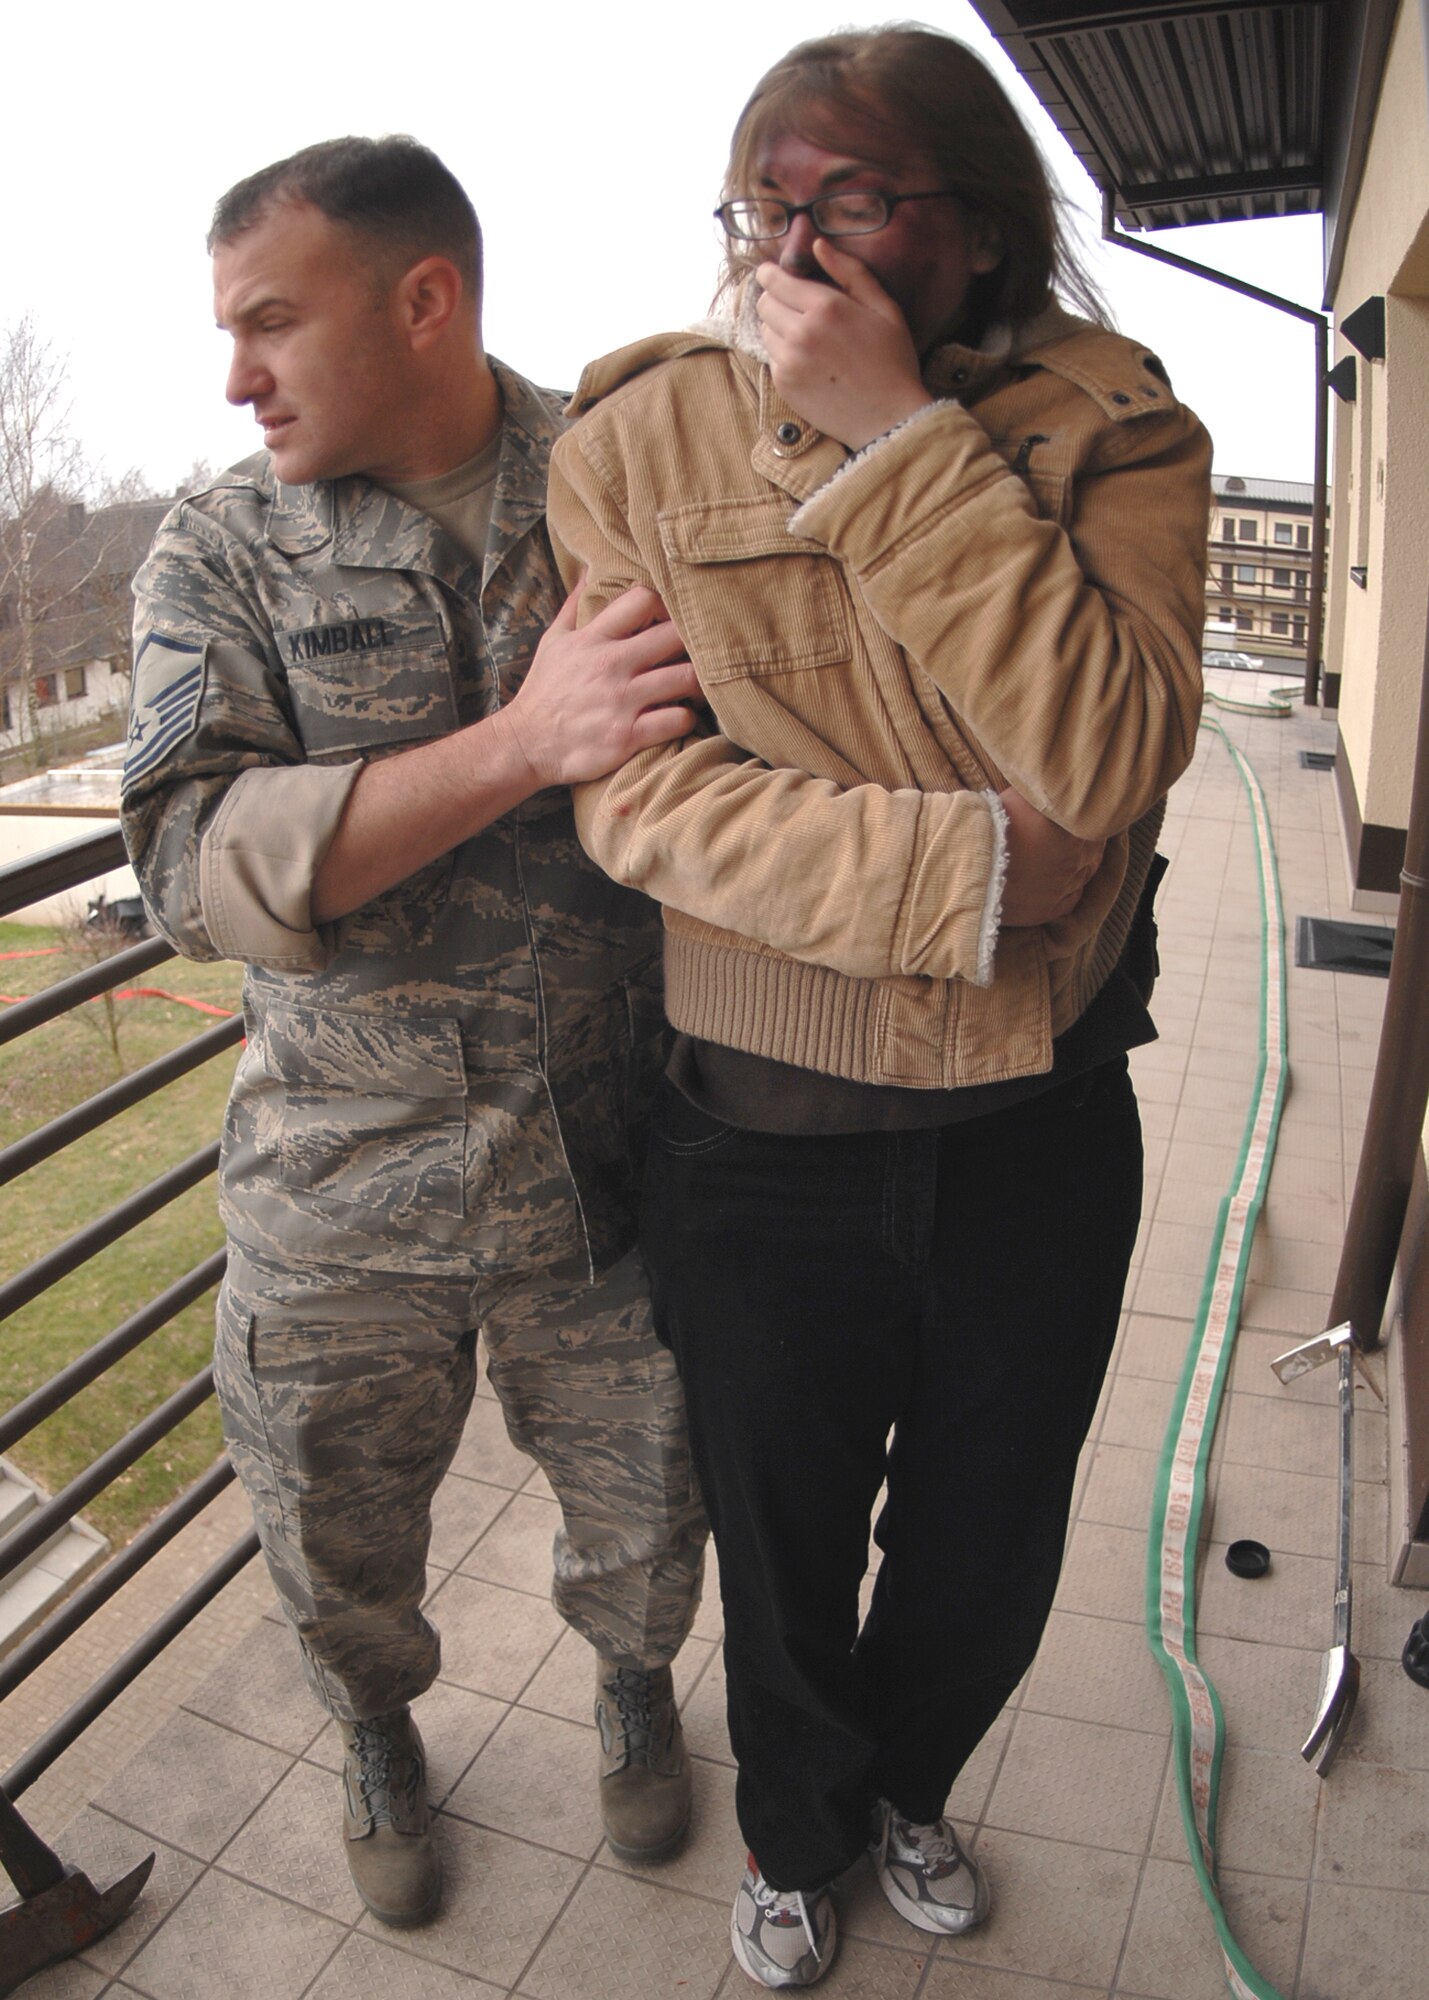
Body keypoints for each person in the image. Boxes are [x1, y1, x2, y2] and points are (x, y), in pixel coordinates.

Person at [546, 26, 1211, 1990]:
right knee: (779, 1536)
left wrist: (899, 440)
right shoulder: (636, 447)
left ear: (979, 223)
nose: (794, 244)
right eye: (767, 200)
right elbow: (635, 793)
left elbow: (1101, 751)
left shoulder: (1115, 433)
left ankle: (908, 1779)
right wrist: (975, 878)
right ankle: (795, 1825)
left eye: (852, 197)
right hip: (756, 1143)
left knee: (989, 1543)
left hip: (1038, 1129)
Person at [120, 136, 713, 1930]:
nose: (237, 375)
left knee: (650, 1501)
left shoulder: (629, 488)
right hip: (341, 1178)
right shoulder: (221, 543)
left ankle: (628, 1687)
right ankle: (378, 1728)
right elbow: (187, 869)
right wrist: (525, 744)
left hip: (615, 1155)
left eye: (271, 324)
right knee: (328, 1524)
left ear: (424, 300)